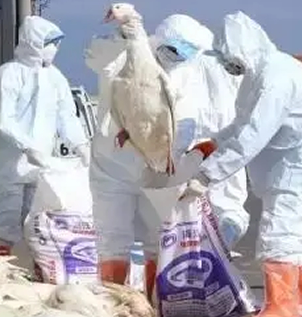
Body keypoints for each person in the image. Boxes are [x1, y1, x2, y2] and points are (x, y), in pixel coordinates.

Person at [181, 11, 302, 317]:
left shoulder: (277, 77)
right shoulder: (257, 76)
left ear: (246, 48)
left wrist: (206, 175)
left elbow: (252, 135)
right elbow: (241, 123)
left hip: (301, 163)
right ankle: (300, 304)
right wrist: (213, 143)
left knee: (280, 231)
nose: (230, 66)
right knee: (298, 233)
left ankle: (282, 310)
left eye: (231, 59)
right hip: (295, 162)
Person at [85, 15, 245, 300]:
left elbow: (185, 124)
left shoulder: (187, 74)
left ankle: (151, 301)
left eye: (184, 52)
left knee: (156, 237)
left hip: (155, 168)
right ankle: (113, 301)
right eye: (172, 48)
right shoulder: (129, 54)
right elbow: (97, 55)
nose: (175, 56)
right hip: (114, 163)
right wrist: (124, 36)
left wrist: (177, 160)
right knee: (112, 236)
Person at [0, 16, 90, 257]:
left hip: (41, 166)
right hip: (9, 165)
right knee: (4, 223)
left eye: (57, 44)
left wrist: (81, 145)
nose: (54, 49)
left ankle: (30, 267)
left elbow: (66, 116)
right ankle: (0, 270)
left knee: (37, 223)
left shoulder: (55, 78)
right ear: (34, 43)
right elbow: (3, 120)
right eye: (50, 43)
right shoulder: (6, 75)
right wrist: (28, 147)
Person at [151, 14, 251, 253]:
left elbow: (173, 113)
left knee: (183, 202)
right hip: (225, 143)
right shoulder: (220, 62)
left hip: (192, 146)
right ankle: (218, 247)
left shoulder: (178, 67)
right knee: (228, 204)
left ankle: (194, 250)